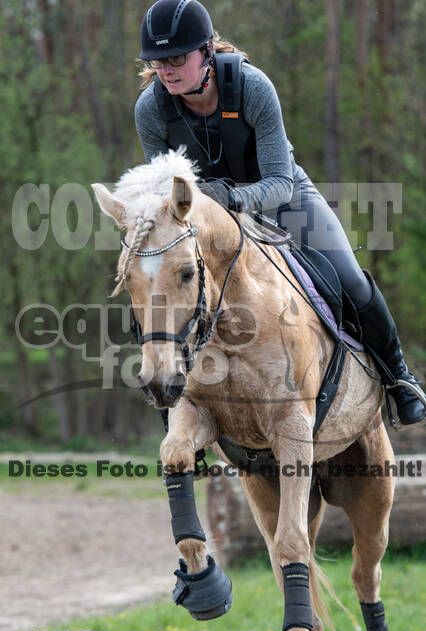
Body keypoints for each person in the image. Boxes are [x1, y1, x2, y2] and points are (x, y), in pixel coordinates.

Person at [134, 0, 425, 426]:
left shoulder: (252, 87)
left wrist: (230, 199)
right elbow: (165, 197)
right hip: (208, 217)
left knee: (348, 279)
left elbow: (279, 182)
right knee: (162, 287)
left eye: (177, 58)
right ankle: (173, 401)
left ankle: (399, 378)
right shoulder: (150, 109)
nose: (166, 70)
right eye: (157, 62)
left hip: (283, 199)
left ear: (208, 52)